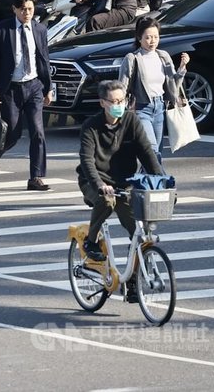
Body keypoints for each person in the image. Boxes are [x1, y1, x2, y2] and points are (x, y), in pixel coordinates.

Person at [77, 79, 163, 267]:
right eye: (114, 102)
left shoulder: (131, 121)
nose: (119, 105)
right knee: (107, 200)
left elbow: (146, 153)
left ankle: (133, 283)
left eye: (122, 101)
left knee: (138, 234)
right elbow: (87, 161)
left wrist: (162, 181)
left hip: (123, 184)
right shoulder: (91, 126)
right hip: (95, 182)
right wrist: (99, 185)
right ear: (102, 103)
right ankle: (91, 242)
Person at [0, 0, 52, 191]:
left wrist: (48, 88)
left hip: (34, 87)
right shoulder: (3, 30)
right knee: (12, 134)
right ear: (14, 9)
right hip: (10, 89)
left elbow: (44, 60)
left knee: (38, 132)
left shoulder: (40, 30)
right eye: (23, 10)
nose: (27, 13)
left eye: (30, 9)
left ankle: (36, 177)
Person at [118, 17, 189, 159]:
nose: (153, 41)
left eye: (156, 37)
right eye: (148, 37)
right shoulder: (132, 58)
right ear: (139, 38)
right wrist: (117, 111)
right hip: (141, 109)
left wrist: (182, 68)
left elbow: (173, 85)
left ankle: (144, 180)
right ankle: (159, 180)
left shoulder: (163, 56)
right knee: (152, 151)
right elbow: (122, 87)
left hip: (160, 108)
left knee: (157, 152)